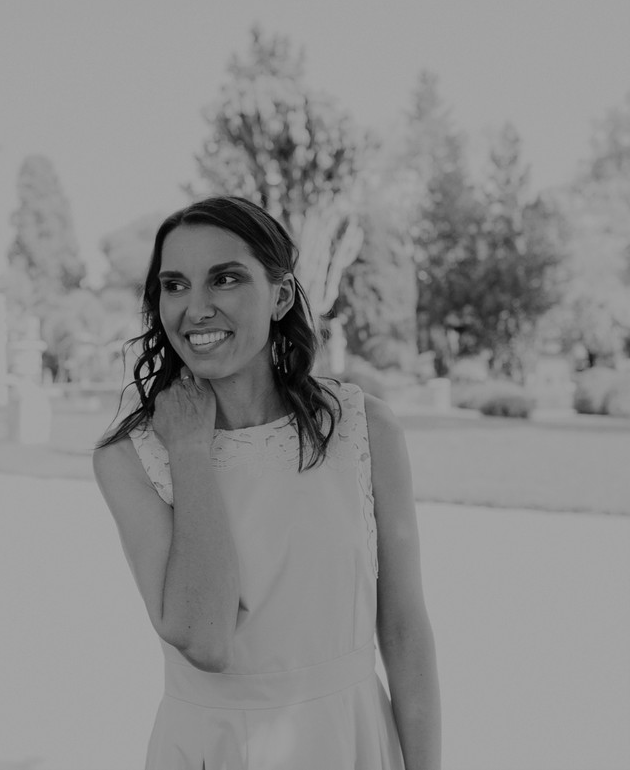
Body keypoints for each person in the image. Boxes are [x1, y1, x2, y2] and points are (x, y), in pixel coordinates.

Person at [93, 195, 441, 770]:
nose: (196, 308)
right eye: (175, 285)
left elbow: (403, 630)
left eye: (225, 279)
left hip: (350, 737)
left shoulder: (364, 428)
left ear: (280, 296)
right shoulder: (129, 458)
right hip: (213, 748)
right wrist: (189, 451)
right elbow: (205, 639)